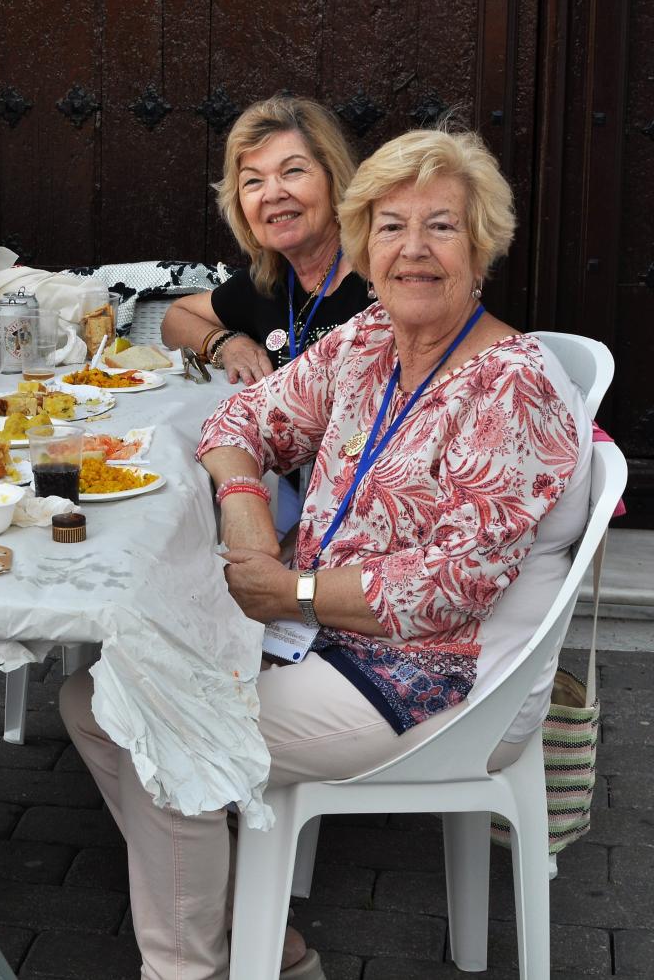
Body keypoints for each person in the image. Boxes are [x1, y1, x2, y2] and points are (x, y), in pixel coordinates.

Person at [62, 128, 592, 980]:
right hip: (316, 632)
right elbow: (238, 422)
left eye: (441, 227)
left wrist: (293, 589)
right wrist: (245, 520)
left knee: (158, 719)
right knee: (95, 701)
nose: (412, 250)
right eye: (389, 226)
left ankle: (187, 969)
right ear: (363, 244)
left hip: (428, 669)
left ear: (482, 245)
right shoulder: (370, 338)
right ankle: (264, 944)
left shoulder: (511, 383)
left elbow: (450, 585)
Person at [161, 95, 370, 386]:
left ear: (334, 178)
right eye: (253, 181)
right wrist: (226, 343)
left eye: (293, 171)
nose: (272, 194)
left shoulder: (380, 276)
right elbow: (175, 318)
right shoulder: (269, 282)